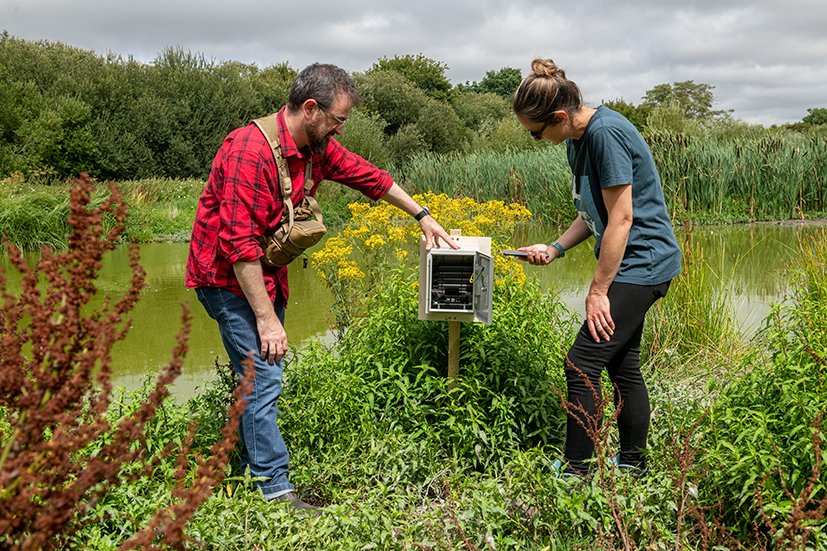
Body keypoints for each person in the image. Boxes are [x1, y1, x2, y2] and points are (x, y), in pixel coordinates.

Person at [186, 63, 458, 510]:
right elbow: (238, 246)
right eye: (338, 119)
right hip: (228, 278)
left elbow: (370, 177)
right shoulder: (248, 150)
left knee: (259, 375)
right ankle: (274, 490)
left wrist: (423, 215)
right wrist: (266, 317)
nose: (339, 129)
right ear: (311, 109)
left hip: (266, 274)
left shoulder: (314, 148)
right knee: (263, 375)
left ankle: (238, 456)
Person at [512, 58, 682, 477]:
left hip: (642, 263)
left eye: (536, 133)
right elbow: (594, 214)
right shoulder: (576, 138)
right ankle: (633, 465)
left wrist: (598, 291)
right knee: (622, 363)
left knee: (582, 362)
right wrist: (555, 248)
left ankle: (576, 473)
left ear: (558, 116)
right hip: (632, 262)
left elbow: (622, 220)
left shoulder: (605, 134)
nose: (537, 140)